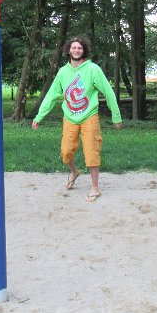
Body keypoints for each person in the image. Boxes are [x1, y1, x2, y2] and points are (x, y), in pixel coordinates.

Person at [32, 36, 123, 202]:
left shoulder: (93, 69)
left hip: (89, 116)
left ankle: (95, 187)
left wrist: (116, 116)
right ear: (68, 50)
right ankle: (74, 171)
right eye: (73, 47)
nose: (76, 50)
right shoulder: (63, 72)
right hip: (70, 117)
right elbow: (51, 95)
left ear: (84, 51)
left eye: (79, 48)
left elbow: (108, 92)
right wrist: (39, 116)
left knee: (91, 152)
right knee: (66, 151)